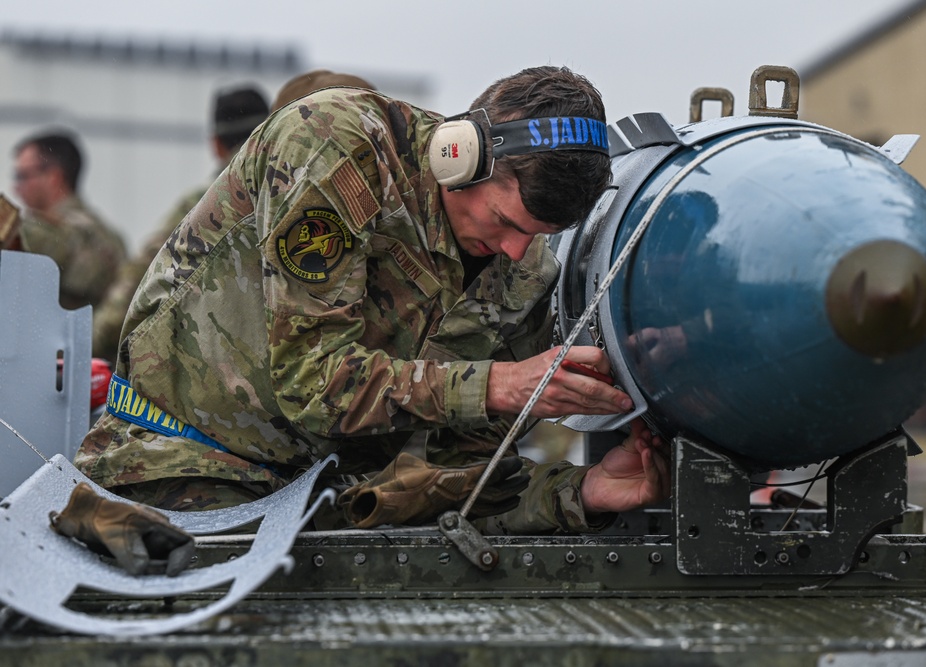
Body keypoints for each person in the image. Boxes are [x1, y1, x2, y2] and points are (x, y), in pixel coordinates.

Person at [75, 65, 668, 534]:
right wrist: (497, 384)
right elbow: (311, 382)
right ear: (459, 154)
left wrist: (580, 492)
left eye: (536, 236)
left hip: (321, 507)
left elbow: (459, 482)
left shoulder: (523, 276)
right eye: (507, 221)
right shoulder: (338, 147)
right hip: (175, 475)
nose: (516, 251)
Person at [91, 86, 271, 361]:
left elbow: (146, 276)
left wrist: (95, 343)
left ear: (216, 144)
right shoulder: (295, 193)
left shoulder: (204, 203)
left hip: (225, 363)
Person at [12, 132, 127, 310]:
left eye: (22, 176)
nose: (15, 188)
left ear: (53, 177)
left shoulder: (57, 231)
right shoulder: (109, 235)